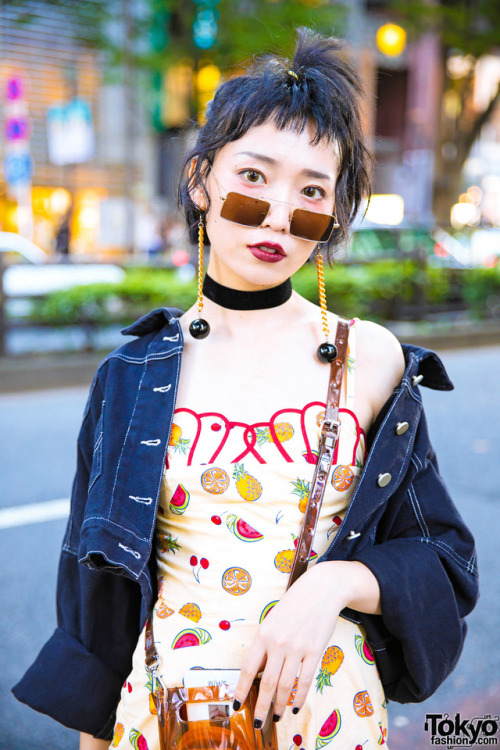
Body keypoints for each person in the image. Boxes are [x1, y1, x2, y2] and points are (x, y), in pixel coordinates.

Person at [13, 29, 478, 750]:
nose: (279, 216)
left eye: (313, 191)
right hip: (165, 720)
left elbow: (442, 557)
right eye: (254, 177)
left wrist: (334, 586)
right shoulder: (132, 375)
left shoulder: (372, 359)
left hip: (329, 723)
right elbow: (95, 601)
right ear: (201, 179)